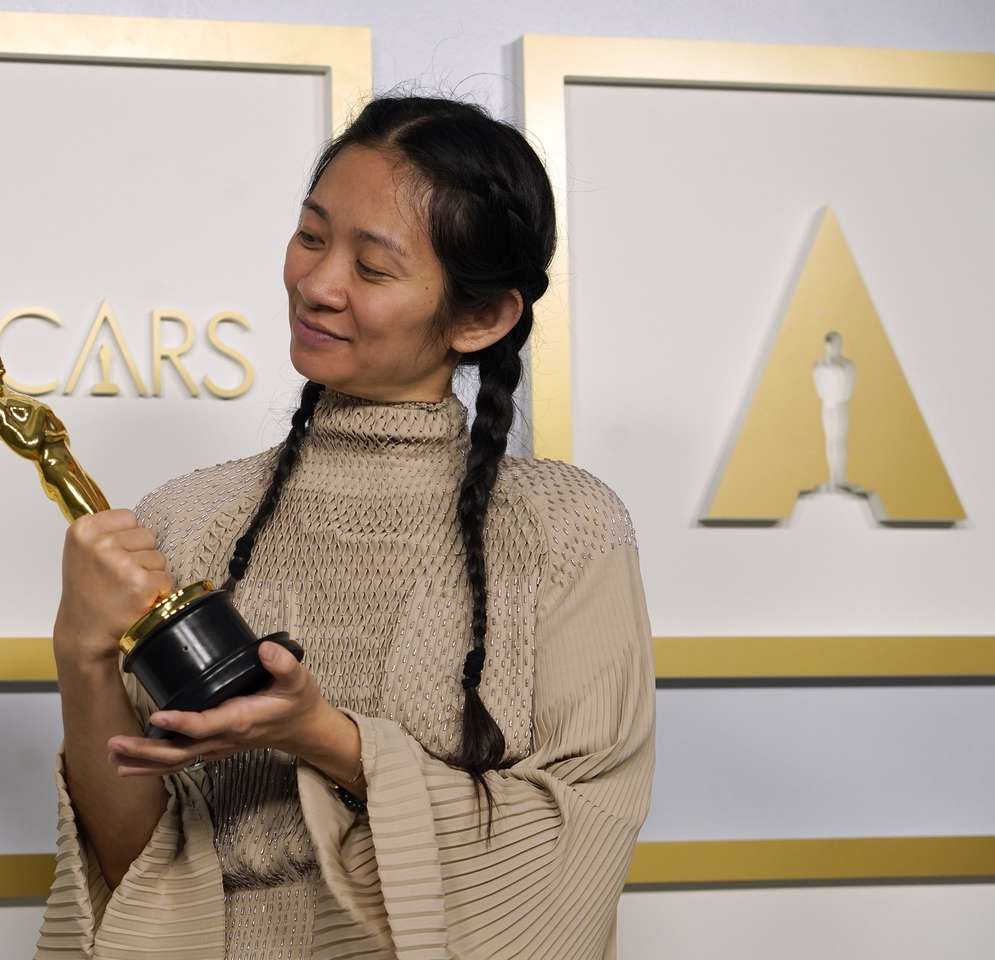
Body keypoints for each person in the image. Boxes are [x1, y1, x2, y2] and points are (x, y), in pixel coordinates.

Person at [34, 94, 656, 960]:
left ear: (481, 318)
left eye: (372, 267)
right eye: (312, 235)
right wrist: (82, 653)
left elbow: (574, 848)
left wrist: (320, 735)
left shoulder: (566, 529)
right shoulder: (189, 516)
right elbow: (132, 867)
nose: (316, 284)